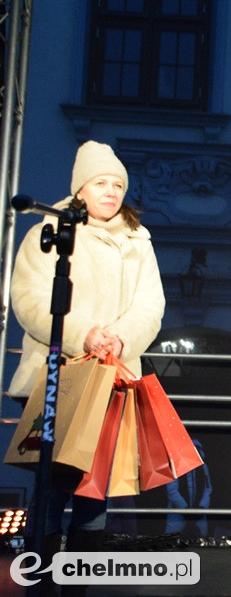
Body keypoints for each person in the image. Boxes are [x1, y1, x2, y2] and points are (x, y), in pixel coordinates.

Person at [7, 140, 165, 593]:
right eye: (101, 183)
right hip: (58, 376)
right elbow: (30, 299)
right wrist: (85, 333)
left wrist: (118, 338)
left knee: (96, 490)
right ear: (81, 190)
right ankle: (40, 582)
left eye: (118, 184)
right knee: (54, 485)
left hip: (113, 377)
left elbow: (150, 304)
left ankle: (79, 583)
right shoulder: (51, 231)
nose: (111, 191)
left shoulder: (138, 240)